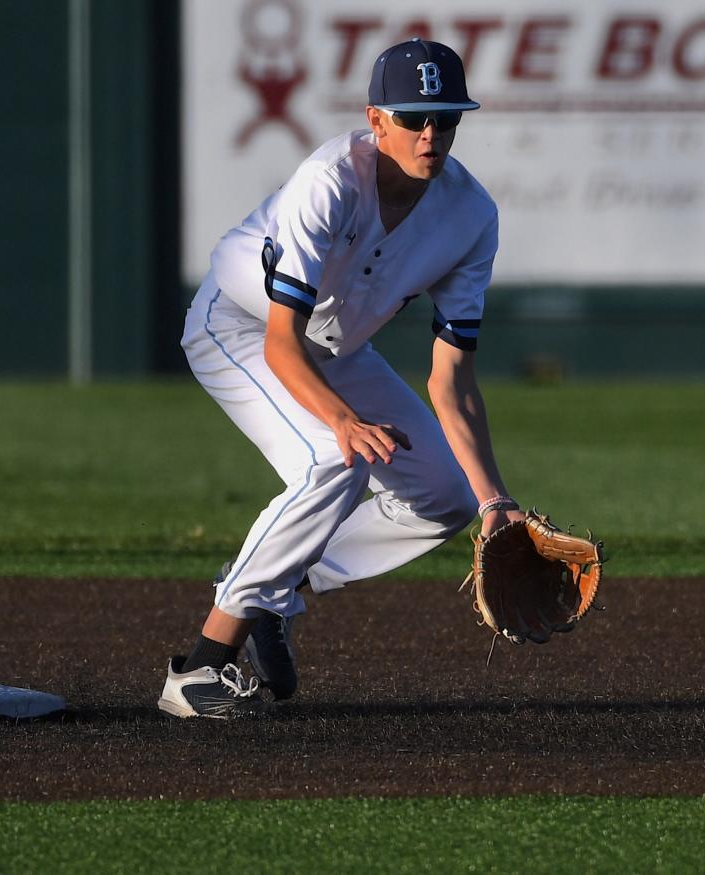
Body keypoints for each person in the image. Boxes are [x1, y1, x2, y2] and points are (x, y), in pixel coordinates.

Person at [158, 39, 523, 718]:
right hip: (237, 323)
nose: (430, 133)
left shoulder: (472, 217)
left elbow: (452, 381)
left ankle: (278, 585)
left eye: (446, 117)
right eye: (413, 117)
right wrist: (342, 420)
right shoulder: (331, 180)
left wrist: (493, 500)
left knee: (444, 495)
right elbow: (279, 340)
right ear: (375, 118)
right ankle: (200, 667)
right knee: (335, 455)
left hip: (338, 348)